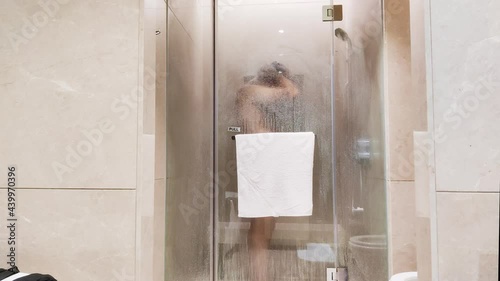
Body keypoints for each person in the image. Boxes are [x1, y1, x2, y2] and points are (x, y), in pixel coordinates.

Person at [236, 61, 300, 281]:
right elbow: (288, 92)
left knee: (269, 220)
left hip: (268, 162)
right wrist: (282, 78)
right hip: (256, 162)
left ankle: (260, 274)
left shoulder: (261, 102)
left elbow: (288, 93)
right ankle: (258, 276)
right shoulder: (248, 92)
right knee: (260, 221)